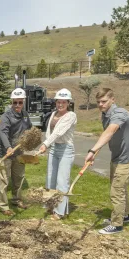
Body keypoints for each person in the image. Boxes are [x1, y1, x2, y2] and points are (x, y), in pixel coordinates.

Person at [84, 88, 129, 235]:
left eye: (104, 101)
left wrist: (91, 150)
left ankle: (117, 225)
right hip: (117, 157)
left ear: (112, 100)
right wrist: (94, 153)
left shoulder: (119, 114)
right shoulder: (105, 115)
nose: (101, 105)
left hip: (127, 158)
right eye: (98, 102)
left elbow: (110, 131)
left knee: (116, 191)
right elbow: (107, 136)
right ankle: (125, 216)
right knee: (119, 188)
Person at [37, 88, 77, 220]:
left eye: (63, 102)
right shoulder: (54, 114)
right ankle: (50, 205)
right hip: (54, 148)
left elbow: (58, 132)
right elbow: (49, 131)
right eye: (58, 102)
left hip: (65, 150)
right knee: (50, 179)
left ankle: (60, 212)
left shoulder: (71, 116)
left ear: (68, 103)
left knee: (62, 181)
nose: (60, 105)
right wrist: (48, 145)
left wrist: (45, 144)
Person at [0, 88, 33, 216]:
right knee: (4, 180)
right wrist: (8, 147)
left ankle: (16, 200)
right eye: (15, 102)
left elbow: (29, 130)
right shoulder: (6, 116)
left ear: (23, 102)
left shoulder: (25, 115)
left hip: (19, 152)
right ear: (11, 102)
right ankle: (3, 206)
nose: (17, 105)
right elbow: (3, 132)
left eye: (20, 102)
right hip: (5, 152)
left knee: (18, 178)